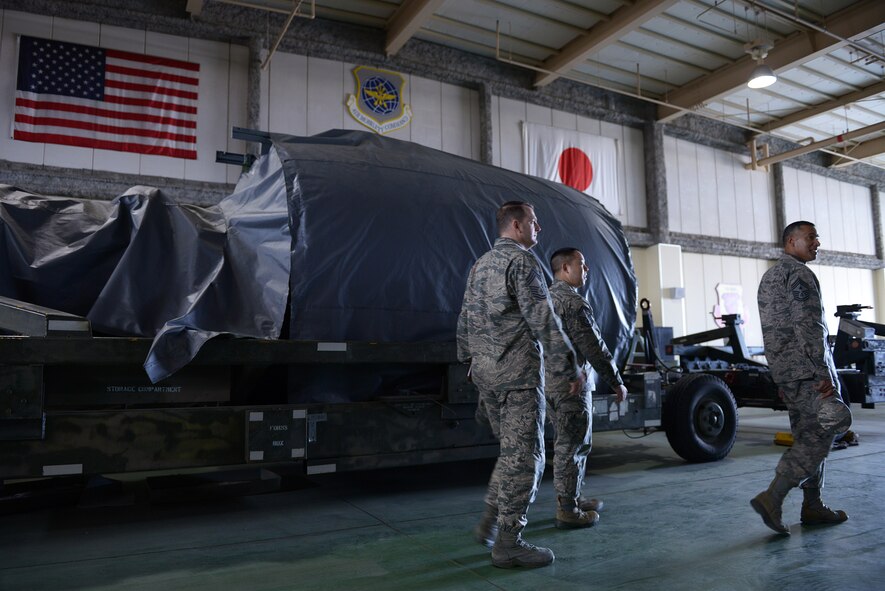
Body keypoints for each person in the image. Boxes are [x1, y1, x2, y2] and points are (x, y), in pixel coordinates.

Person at [457, 201, 584, 568]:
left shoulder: (479, 265)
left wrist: (469, 360)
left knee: (510, 453)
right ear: (516, 225)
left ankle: (491, 523)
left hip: (486, 375)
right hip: (517, 377)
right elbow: (542, 317)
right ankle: (509, 543)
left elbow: (465, 317)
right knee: (526, 458)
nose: (538, 228)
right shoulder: (523, 263)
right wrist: (568, 364)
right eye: (533, 221)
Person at [752, 221, 853, 535]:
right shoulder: (800, 274)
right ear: (791, 241)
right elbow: (809, 327)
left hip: (788, 372)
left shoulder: (769, 276)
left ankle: (812, 505)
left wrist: (781, 377)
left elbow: (772, 331)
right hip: (810, 372)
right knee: (825, 430)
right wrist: (824, 374)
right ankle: (774, 496)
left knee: (808, 432)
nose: (817, 243)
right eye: (811, 237)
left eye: (817, 237)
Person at [546, 248, 628, 529]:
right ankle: (568, 510)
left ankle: (572, 498)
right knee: (574, 446)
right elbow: (593, 346)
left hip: (549, 385)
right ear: (566, 268)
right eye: (582, 264)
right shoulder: (572, 302)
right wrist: (616, 379)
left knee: (565, 445)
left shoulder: (543, 299)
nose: (587, 268)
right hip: (572, 387)